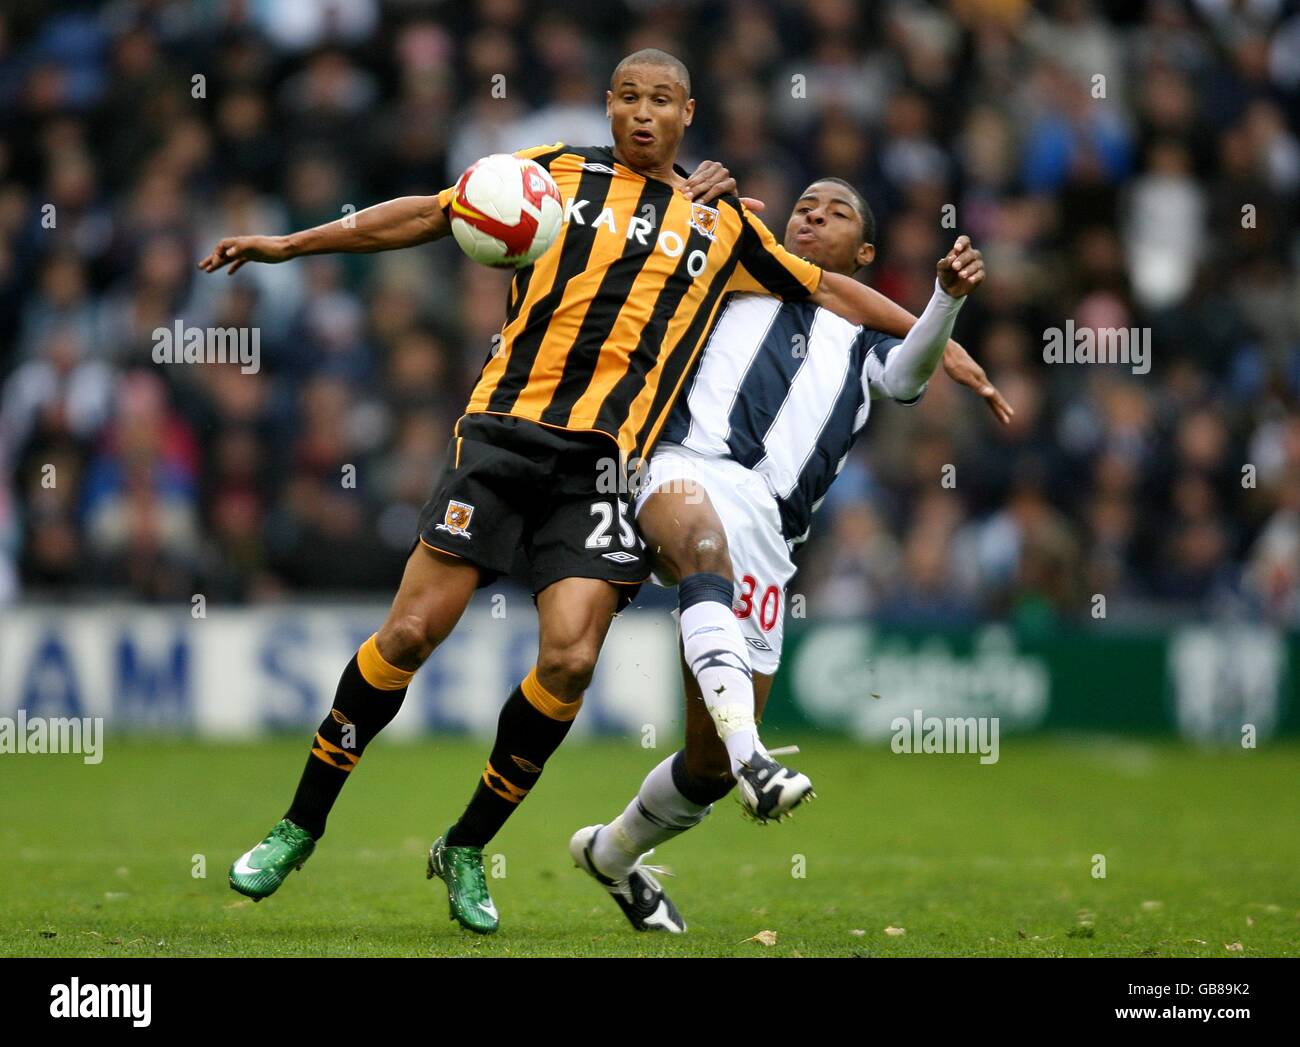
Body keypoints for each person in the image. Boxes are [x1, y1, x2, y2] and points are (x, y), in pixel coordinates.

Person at [199, 48, 973, 936]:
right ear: (608, 107)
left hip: (608, 466)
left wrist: (940, 335)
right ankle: (300, 822)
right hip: (502, 433)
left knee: (568, 659)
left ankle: (465, 846)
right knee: (410, 631)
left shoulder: (723, 226)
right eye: (629, 98)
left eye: (662, 102)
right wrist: (290, 244)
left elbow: (831, 286)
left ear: (690, 113)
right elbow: (423, 214)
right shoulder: (552, 177)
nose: (644, 114)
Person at [568, 179, 1005, 932]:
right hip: (686, 464)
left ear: (865, 252)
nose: (813, 214)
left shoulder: (869, 341)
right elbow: (661, 252)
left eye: (837, 211)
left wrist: (945, 299)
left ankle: (610, 852)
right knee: (701, 554)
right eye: (805, 204)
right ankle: (757, 761)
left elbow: (908, 377)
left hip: (772, 533)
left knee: (700, 772)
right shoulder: (734, 275)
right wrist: (686, 195)